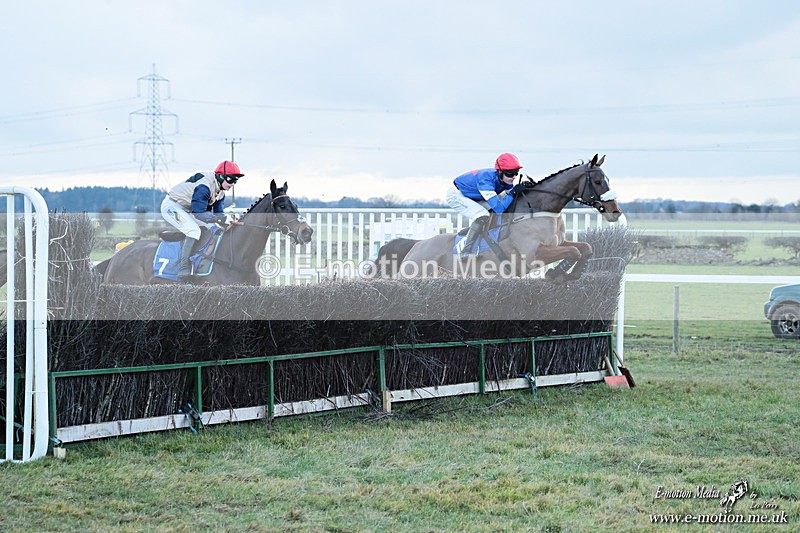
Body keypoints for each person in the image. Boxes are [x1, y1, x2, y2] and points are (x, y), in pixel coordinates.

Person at [160, 160, 244, 280]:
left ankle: (200, 260)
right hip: (172, 206)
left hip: (188, 210)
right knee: (193, 231)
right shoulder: (204, 187)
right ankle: (183, 268)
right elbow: (199, 213)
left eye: (235, 181)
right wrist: (222, 219)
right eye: (231, 179)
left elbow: (218, 215)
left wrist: (228, 222)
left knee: (213, 229)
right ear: (220, 176)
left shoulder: (221, 193)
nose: (232, 184)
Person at [445, 153, 527, 260]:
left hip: (473, 195)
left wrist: (524, 189)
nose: (514, 177)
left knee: (494, 210)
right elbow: (499, 209)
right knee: (482, 215)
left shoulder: (505, 180)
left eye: (516, 173)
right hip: (457, 195)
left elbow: (511, 198)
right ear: (500, 172)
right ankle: (465, 251)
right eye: (510, 173)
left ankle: (484, 238)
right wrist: (513, 192)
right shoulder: (486, 180)